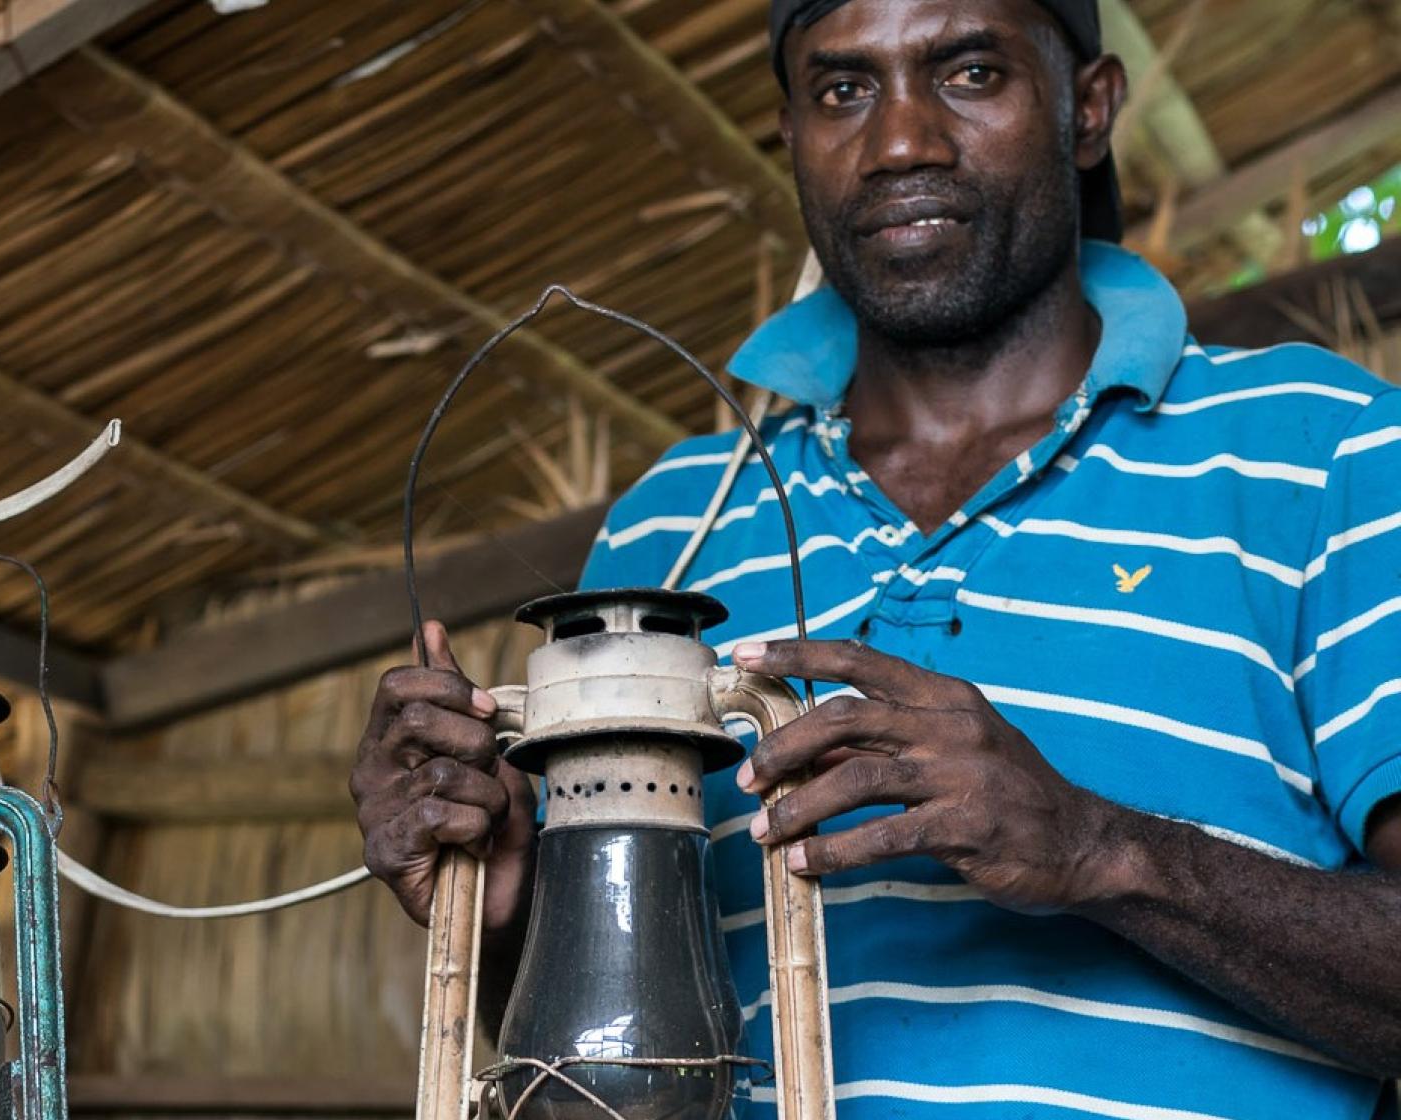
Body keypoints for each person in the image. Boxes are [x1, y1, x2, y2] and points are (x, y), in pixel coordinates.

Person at [352, 0, 1401, 1115]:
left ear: (1087, 109)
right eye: (843, 90)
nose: (900, 141)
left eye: (968, 72)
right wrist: (512, 913)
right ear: (791, 133)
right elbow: (599, 1065)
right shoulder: (673, 533)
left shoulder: (1323, 450)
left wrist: (1104, 849)